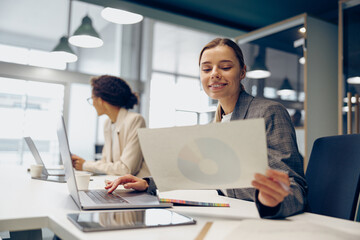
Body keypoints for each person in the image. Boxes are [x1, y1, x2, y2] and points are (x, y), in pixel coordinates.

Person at [105, 38, 307, 219]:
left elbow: (295, 188)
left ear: (243, 72)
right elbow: (197, 176)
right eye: (207, 69)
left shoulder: (269, 112)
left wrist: (271, 201)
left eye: (225, 67)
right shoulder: (214, 124)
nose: (215, 75)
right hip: (224, 214)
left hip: (258, 219)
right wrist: (148, 183)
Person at [71, 75, 150, 177]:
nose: (93, 103)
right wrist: (82, 164)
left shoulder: (135, 120)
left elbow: (127, 169)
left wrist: (86, 165)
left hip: (133, 188)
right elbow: (105, 162)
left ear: (101, 100)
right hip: (115, 184)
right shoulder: (108, 123)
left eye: (92, 98)